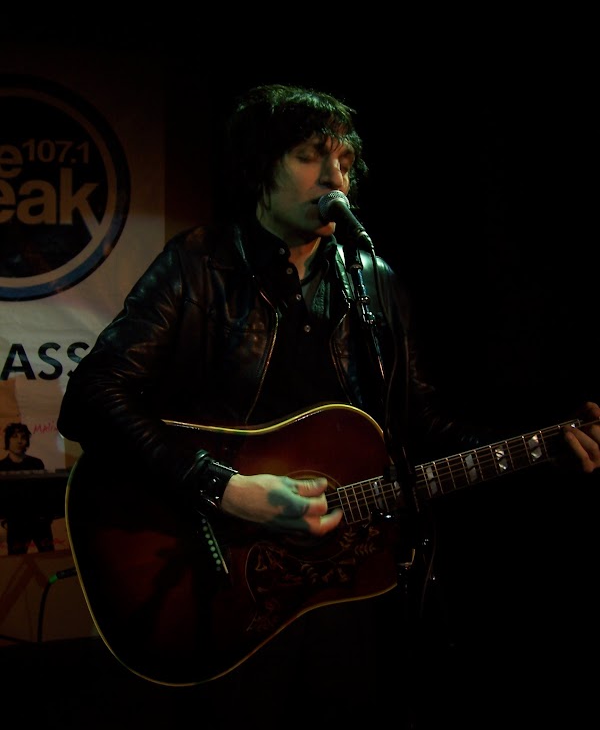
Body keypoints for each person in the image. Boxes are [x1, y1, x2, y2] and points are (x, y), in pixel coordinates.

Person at [57, 83, 600, 729]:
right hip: (216, 582)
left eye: (344, 160)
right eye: (312, 155)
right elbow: (92, 398)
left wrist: (541, 447)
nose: (335, 177)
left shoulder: (374, 281)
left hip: (341, 593)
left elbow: (419, 424)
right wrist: (225, 488)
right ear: (260, 165)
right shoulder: (199, 264)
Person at [0, 422, 55, 555]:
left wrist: (48, 516)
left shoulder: (36, 463)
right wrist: (4, 520)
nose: (19, 441)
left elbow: (45, 492)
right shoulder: (1, 467)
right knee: (17, 559)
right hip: (15, 522)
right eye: (15, 436)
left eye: (23, 437)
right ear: (8, 440)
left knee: (49, 557)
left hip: (40, 521)